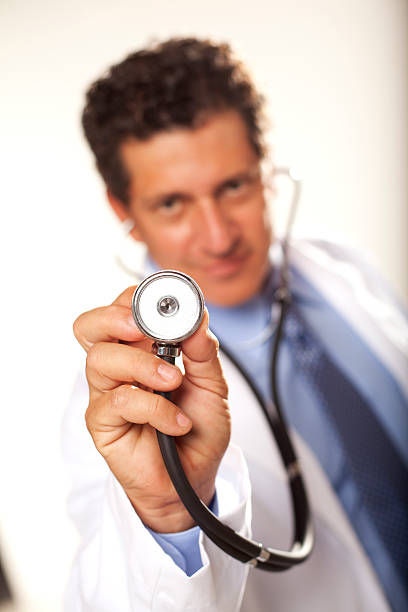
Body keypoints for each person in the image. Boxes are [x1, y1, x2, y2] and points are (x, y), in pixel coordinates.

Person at [65, 38, 408, 611]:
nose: (219, 236)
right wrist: (170, 514)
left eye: (234, 186)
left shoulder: (346, 270)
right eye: (172, 203)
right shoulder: (119, 399)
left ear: (264, 168)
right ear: (124, 211)